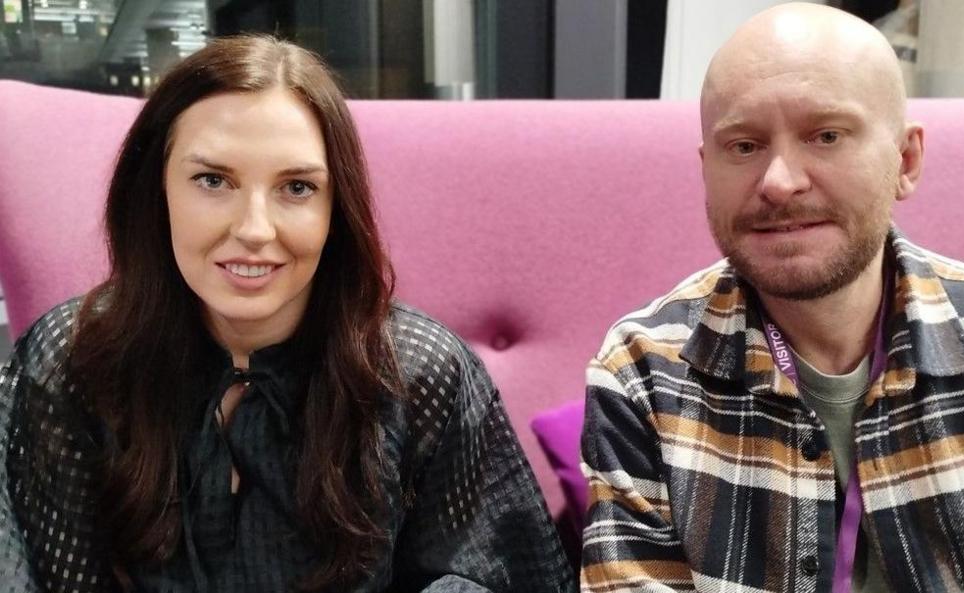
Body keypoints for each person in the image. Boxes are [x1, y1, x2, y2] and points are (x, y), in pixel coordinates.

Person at [0, 35, 573, 593]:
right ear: (157, 190)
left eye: (296, 187)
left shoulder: (421, 369)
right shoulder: (72, 358)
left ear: (335, 207)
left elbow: (492, 572)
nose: (254, 229)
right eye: (212, 180)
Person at [580, 4, 964, 593]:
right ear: (707, 170)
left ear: (905, 161)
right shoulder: (642, 372)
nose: (779, 181)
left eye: (826, 135)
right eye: (744, 145)